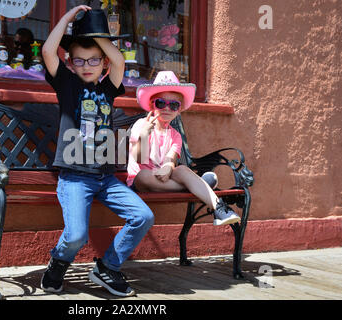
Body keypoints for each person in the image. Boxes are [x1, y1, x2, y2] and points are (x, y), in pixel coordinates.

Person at [40, 6, 153, 297]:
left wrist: (95, 35)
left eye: (94, 60)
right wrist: (67, 21)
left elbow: (118, 60)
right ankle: (59, 262)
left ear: (102, 62)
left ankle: (108, 266)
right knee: (76, 235)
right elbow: (49, 51)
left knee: (143, 216)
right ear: (71, 62)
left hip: (105, 177)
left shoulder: (108, 88)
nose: (87, 65)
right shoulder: (66, 84)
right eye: (79, 60)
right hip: (75, 177)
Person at [127, 70, 241, 226]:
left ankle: (220, 209)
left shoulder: (175, 135)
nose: (167, 108)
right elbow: (139, 158)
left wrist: (168, 167)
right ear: (151, 104)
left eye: (174, 105)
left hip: (164, 179)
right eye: (161, 103)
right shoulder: (141, 125)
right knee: (144, 175)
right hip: (141, 182)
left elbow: (171, 159)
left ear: (179, 110)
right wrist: (145, 135)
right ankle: (198, 186)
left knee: (181, 169)